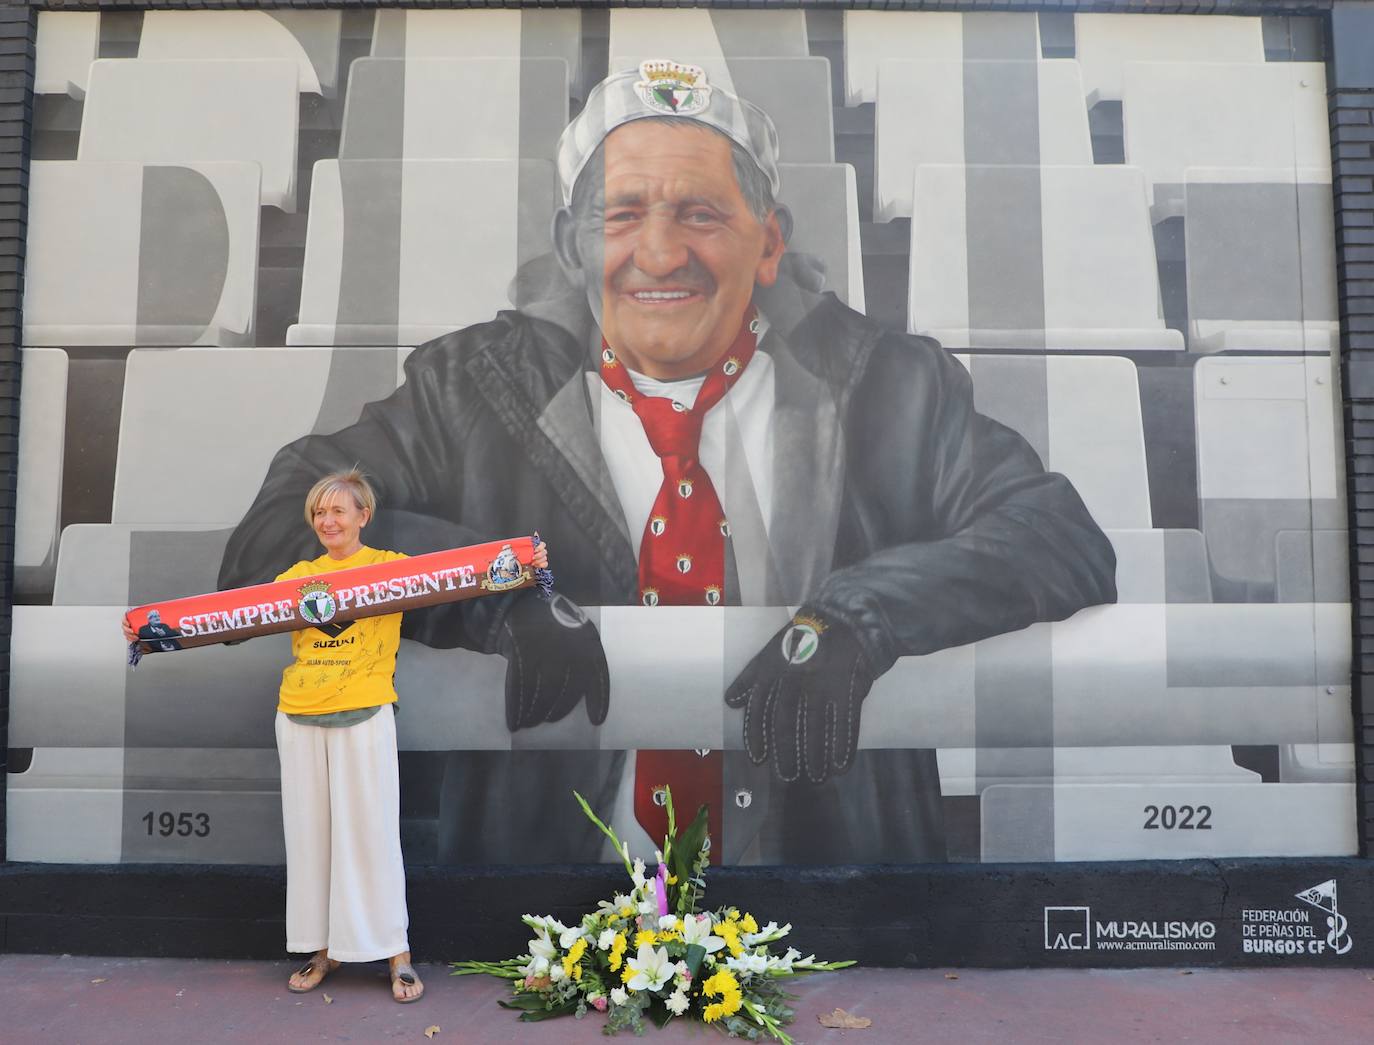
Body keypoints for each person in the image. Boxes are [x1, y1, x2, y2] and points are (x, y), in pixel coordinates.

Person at [220, 62, 1116, 865]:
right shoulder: (470, 388)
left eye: (701, 213)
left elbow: (1055, 535)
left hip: (833, 897)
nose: (659, 253)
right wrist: (497, 591)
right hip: (541, 900)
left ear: (769, 241)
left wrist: (859, 615)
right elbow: (284, 529)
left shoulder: (891, 383)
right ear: (573, 247)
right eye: (623, 214)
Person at [128, 469, 550, 1001]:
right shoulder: (297, 577)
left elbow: (461, 577)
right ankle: (321, 951)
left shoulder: (390, 570)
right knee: (312, 839)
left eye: (339, 511)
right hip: (299, 715)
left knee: (371, 836)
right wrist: (149, 630)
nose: (328, 520)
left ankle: (397, 954)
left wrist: (524, 566)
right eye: (319, 513)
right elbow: (231, 618)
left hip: (364, 713)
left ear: (362, 516)